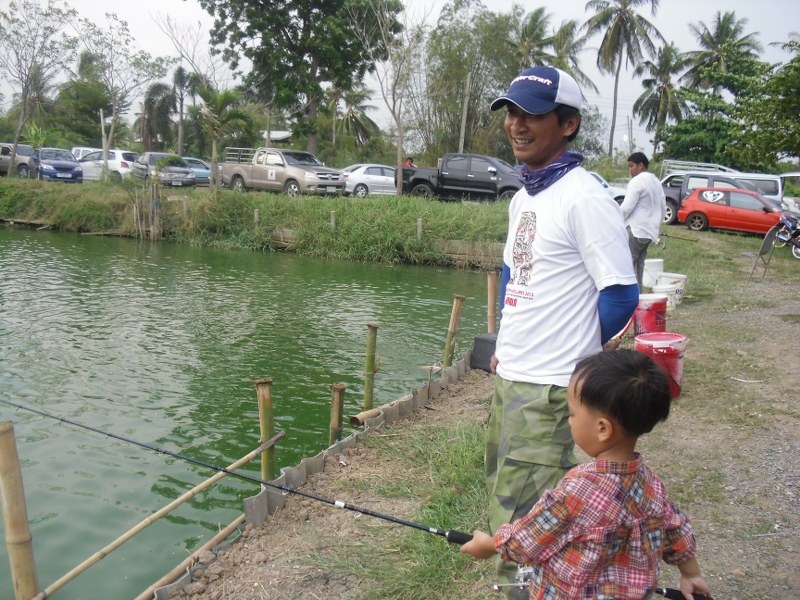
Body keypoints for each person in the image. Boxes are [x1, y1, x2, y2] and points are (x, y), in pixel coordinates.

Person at [486, 65, 639, 596]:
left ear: (568, 124)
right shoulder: (524, 196)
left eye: (532, 113)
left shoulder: (585, 197)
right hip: (514, 377)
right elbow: (514, 275)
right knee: (507, 501)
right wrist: (506, 345)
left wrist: (576, 362)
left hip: (549, 386)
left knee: (529, 526)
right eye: (511, 111)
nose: (516, 124)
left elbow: (620, 293)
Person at [462, 350, 712, 600]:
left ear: (602, 429)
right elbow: (676, 531)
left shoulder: (577, 491)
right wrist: (691, 574)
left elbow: (529, 539)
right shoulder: (651, 486)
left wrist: (490, 545)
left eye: (572, 414)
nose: (570, 421)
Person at [620, 152, 667, 287]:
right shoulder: (656, 182)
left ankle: (631, 300)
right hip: (649, 232)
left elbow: (626, 208)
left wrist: (615, 220)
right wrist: (656, 225)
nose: (630, 170)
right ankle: (639, 298)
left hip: (636, 230)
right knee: (639, 266)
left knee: (628, 266)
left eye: (631, 166)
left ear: (641, 165)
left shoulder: (637, 181)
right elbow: (663, 207)